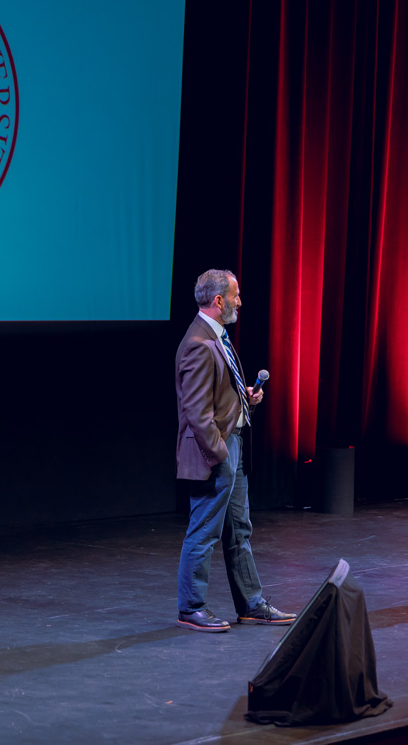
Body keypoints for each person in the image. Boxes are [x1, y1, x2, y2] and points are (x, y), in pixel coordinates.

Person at [174, 269, 296, 632]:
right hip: (217, 454)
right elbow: (196, 413)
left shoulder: (217, 338)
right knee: (205, 531)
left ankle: (251, 604)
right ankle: (190, 607)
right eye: (236, 295)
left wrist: (245, 398)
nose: (240, 301)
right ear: (218, 301)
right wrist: (220, 455)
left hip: (233, 446)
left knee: (239, 530)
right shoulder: (198, 343)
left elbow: (216, 397)